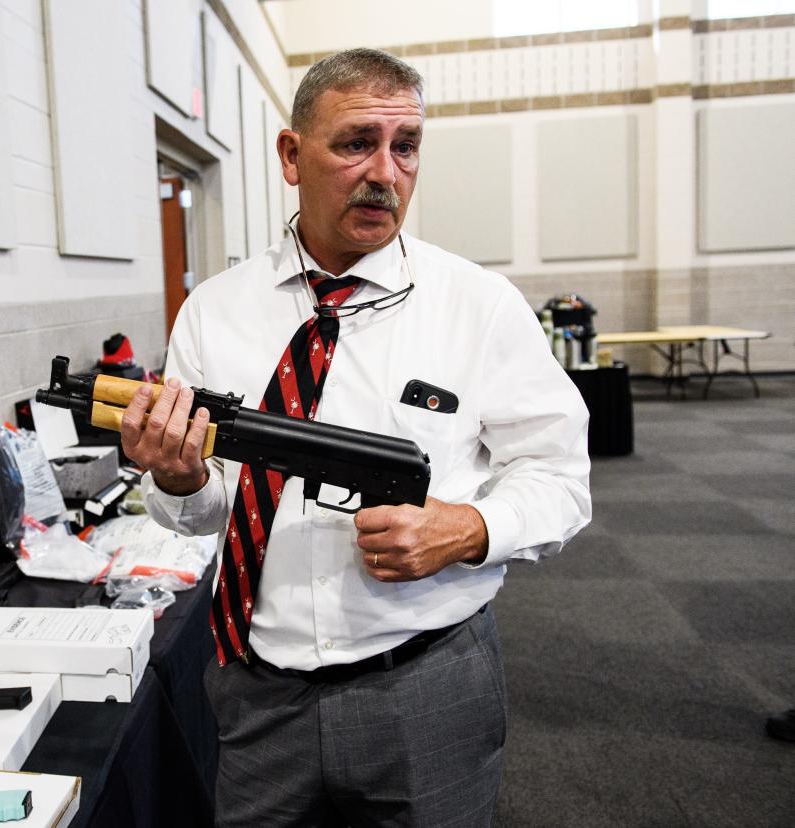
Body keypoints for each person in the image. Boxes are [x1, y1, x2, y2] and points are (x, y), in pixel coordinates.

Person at [122, 48, 591, 827]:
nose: (386, 172)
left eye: (405, 146)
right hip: (253, 690)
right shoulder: (214, 310)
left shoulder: (479, 306)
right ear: (291, 154)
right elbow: (205, 514)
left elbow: (560, 478)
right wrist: (176, 479)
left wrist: (471, 528)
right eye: (355, 143)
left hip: (427, 687)